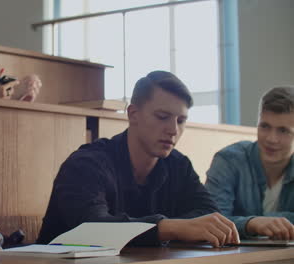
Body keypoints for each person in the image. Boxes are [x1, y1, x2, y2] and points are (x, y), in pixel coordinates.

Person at [37, 71, 240, 247]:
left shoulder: (179, 164)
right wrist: (170, 228)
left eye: (181, 120)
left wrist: (176, 228)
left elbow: (209, 213)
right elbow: (92, 228)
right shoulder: (85, 164)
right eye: (162, 117)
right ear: (133, 114)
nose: (173, 130)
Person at [206, 86, 294, 240]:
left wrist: (266, 221)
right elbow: (212, 222)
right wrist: (252, 223)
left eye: (283, 130)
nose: (271, 139)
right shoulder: (228, 161)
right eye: (265, 126)